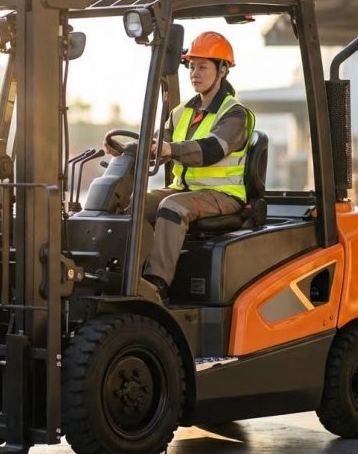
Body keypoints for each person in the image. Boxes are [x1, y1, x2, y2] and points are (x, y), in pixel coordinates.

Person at [107, 31, 256, 303]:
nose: (194, 73)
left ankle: (156, 285)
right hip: (184, 189)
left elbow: (212, 149)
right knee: (134, 204)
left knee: (173, 207)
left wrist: (170, 149)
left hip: (223, 196)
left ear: (222, 70)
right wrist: (128, 149)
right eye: (191, 66)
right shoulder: (181, 112)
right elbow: (158, 144)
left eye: (202, 67)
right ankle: (126, 275)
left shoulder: (235, 114)